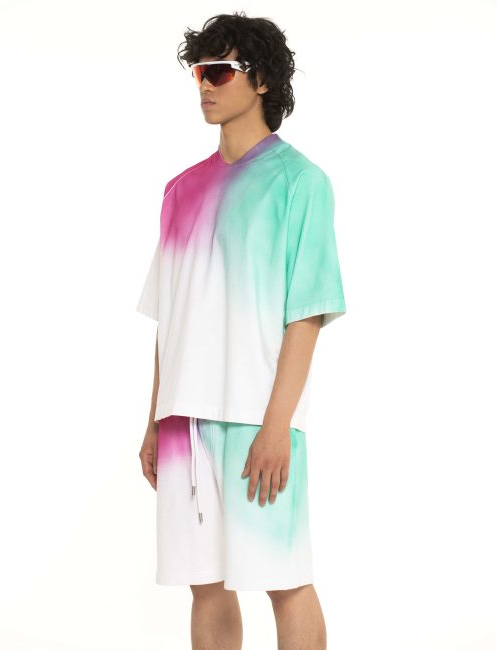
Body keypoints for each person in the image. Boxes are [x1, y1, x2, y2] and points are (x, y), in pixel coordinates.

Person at [136, 11, 346, 650]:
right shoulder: (179, 191)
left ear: (261, 80)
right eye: (199, 72)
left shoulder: (300, 183)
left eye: (219, 71)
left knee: (285, 581)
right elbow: (171, 318)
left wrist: (278, 427)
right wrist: (154, 419)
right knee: (205, 586)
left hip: (257, 419)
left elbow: (306, 314)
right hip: (185, 423)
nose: (204, 84)